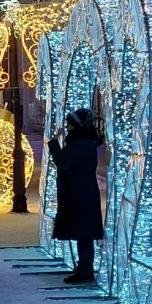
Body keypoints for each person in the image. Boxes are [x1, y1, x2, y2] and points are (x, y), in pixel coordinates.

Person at [48, 108, 104, 284]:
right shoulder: (87, 142)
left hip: (79, 193)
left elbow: (63, 163)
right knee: (83, 232)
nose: (67, 128)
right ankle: (84, 266)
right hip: (84, 191)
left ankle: (85, 269)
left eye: (69, 124)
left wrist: (54, 144)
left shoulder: (80, 143)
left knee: (83, 232)